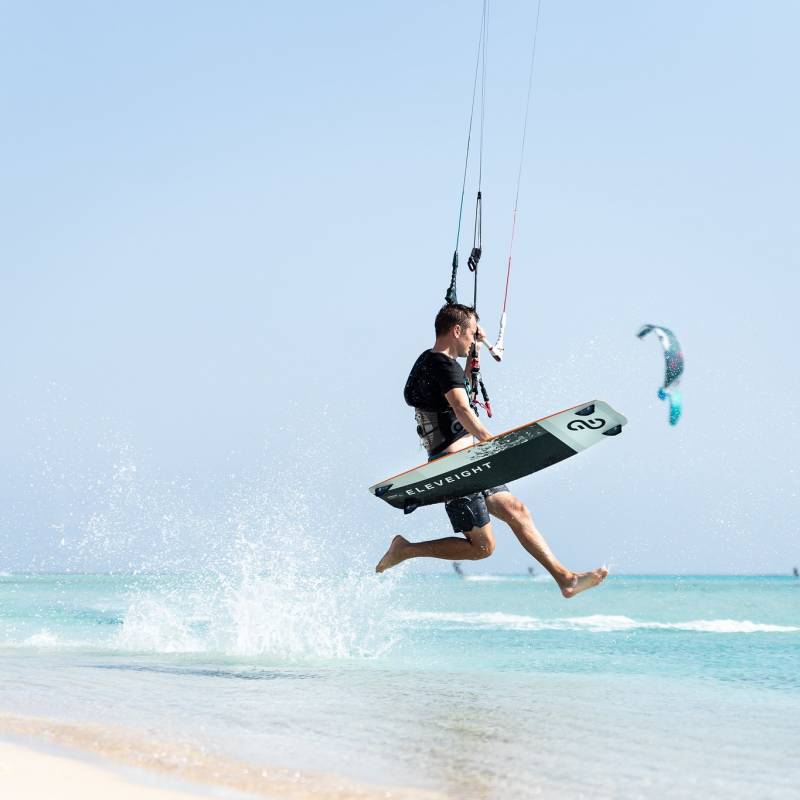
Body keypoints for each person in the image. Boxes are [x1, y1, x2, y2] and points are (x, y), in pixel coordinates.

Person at [375, 303, 608, 598]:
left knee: (517, 510)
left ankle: (565, 579)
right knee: (483, 548)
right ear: (456, 330)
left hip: (472, 463)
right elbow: (461, 406)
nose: (475, 339)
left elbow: (462, 394)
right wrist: (488, 440)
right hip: (458, 468)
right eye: (472, 333)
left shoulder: (429, 361)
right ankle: (405, 549)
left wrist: (475, 352)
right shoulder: (443, 366)